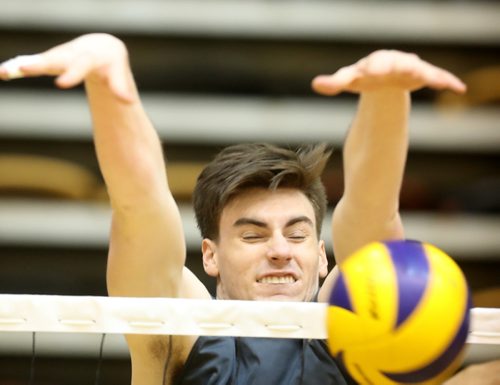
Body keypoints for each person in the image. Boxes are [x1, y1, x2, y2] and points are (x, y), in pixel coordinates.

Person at [1, 34, 494, 385]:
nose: (280, 251)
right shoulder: (183, 335)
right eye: (253, 236)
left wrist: (387, 96)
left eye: (297, 235)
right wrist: (111, 90)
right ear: (211, 256)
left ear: (323, 258)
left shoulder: (355, 331)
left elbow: (373, 212)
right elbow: (139, 208)